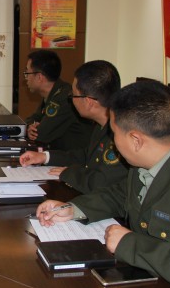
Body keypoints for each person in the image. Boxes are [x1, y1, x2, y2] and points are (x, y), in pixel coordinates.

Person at [35, 80, 170, 288]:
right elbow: (122, 193)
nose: (113, 142)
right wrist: (75, 209)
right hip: (151, 287)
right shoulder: (153, 157)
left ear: (136, 140)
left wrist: (129, 244)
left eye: (114, 134)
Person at [19, 60, 128, 193]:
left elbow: (102, 182)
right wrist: (44, 156)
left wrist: (69, 173)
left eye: (73, 95)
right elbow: (85, 155)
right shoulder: (101, 124)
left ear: (89, 102)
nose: (71, 100)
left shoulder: (121, 133)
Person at [23, 50, 93, 150]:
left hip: (74, 156)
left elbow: (41, 134)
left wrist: (31, 130)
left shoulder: (63, 98)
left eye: (27, 73)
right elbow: (34, 118)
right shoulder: (54, 93)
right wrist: (30, 127)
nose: (26, 77)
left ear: (39, 77)